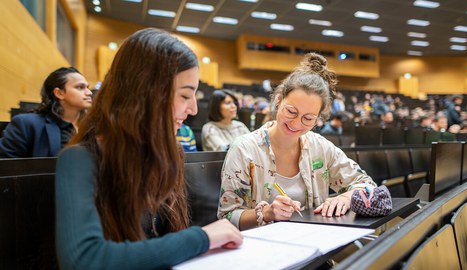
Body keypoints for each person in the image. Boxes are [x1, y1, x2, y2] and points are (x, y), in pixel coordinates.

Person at [55, 28, 242, 269]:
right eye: (185, 96)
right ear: (147, 94)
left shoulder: (166, 155)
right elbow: (83, 259)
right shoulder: (79, 158)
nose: (194, 109)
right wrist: (203, 238)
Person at [217, 53, 376, 231]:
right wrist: (266, 213)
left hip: (312, 243)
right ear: (279, 101)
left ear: (318, 120)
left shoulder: (320, 147)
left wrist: (346, 198)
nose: (296, 124)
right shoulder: (245, 149)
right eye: (291, 112)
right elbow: (227, 216)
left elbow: (367, 184)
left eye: (308, 118)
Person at [0, 67, 92, 158]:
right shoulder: (26, 124)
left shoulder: (94, 127)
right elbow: (7, 167)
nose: (89, 93)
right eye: (80, 87)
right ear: (59, 93)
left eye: (88, 87)